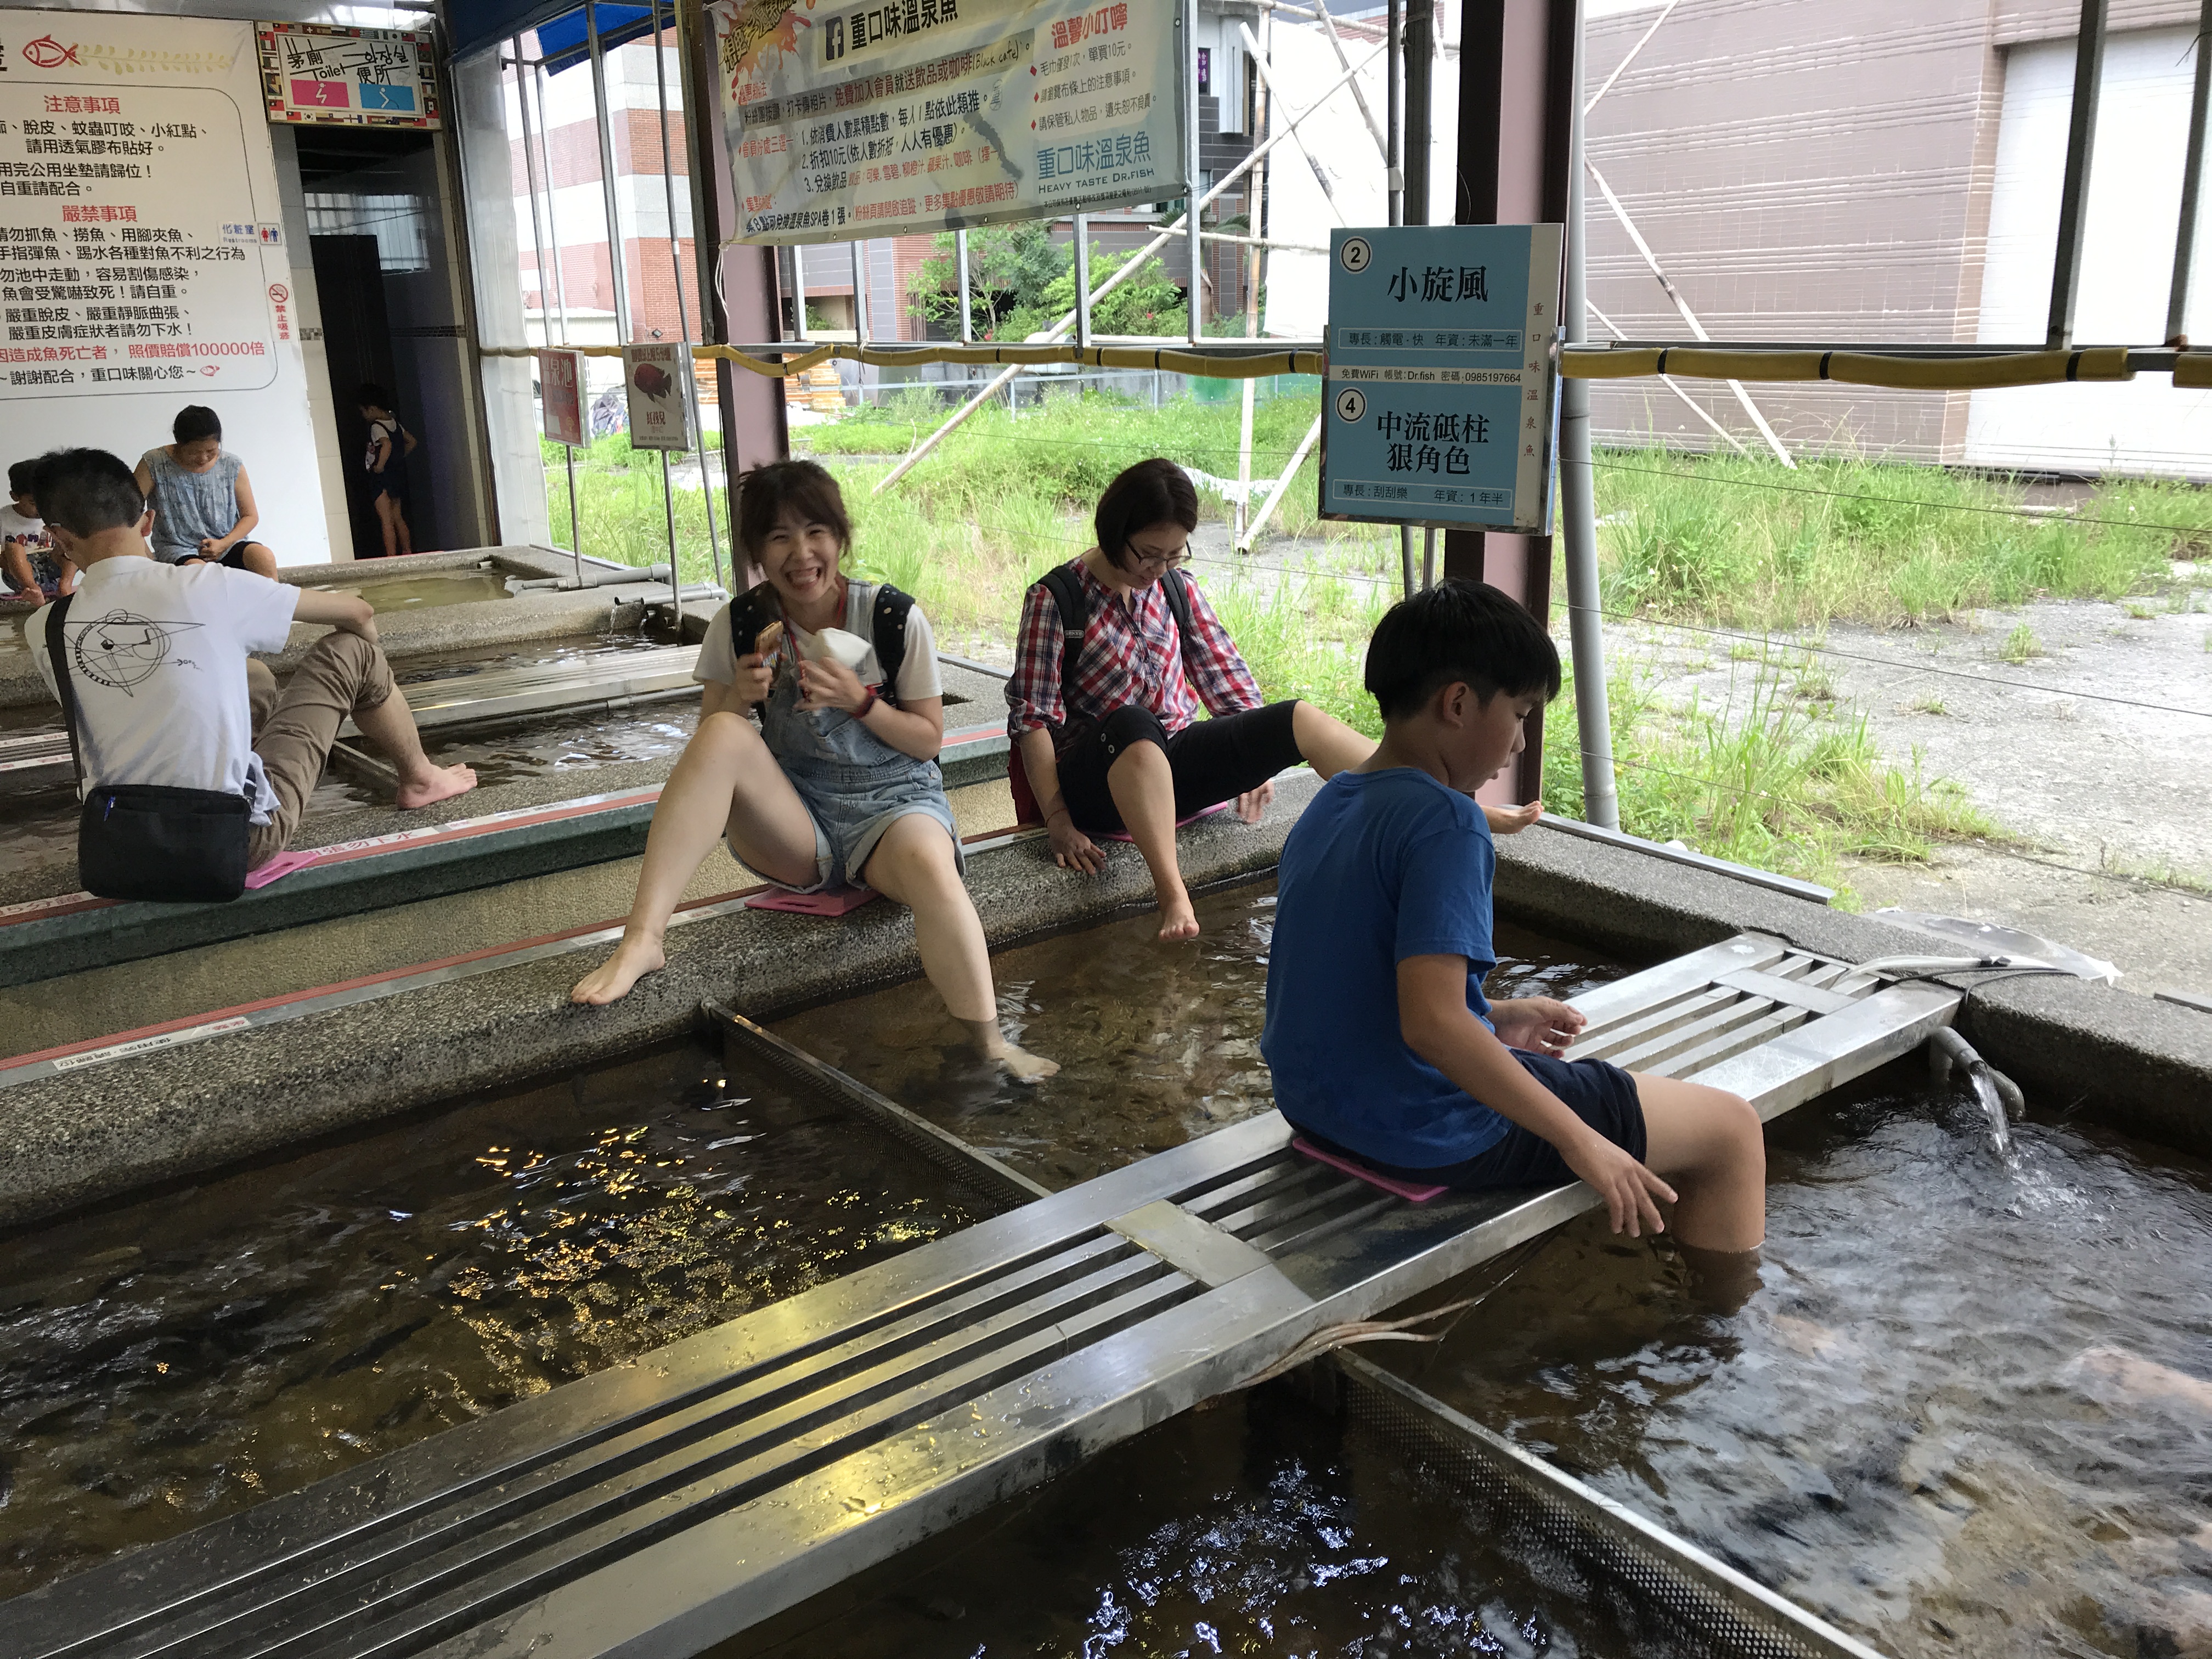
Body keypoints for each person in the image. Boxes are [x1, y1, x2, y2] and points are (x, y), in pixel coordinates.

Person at [1262, 578, 1766, 1270]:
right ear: (1460, 703)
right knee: (1731, 1130)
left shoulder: (1332, 802)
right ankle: (1725, 1326)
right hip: (1424, 1132)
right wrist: (1581, 1142)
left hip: (1319, 1111)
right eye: (1522, 712)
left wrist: (1490, 1014)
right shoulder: (1449, 822)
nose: (1521, 740)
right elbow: (1433, 1026)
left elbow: (1343, 981)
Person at [571, 459, 1057, 1081]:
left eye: (815, 532)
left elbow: (929, 740)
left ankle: (991, 1044)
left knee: (934, 869)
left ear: (840, 537)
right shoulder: (742, 625)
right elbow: (708, 753)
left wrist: (860, 702)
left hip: (893, 806)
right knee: (722, 731)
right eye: (778, 537)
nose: (800, 554)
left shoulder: (890, 618)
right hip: (798, 821)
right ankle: (643, 938)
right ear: (757, 553)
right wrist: (738, 696)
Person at [1006, 456, 1537, 945]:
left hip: (1169, 761)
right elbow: (1032, 720)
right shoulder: (1057, 599)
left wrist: (1253, 759)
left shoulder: (1175, 589)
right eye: (1148, 553)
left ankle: (1444, 800)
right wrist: (1057, 819)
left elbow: (1225, 678)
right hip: (1097, 776)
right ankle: (1174, 895)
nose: (1159, 568)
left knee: (1294, 718)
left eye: (1174, 554)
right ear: (1113, 532)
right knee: (1132, 723)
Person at [23, 448, 476, 871]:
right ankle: (421, 779)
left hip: (125, 843)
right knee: (352, 651)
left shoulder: (45, 625)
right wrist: (371, 657)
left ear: (58, 537)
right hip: (230, 839)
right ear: (148, 522)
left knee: (254, 677)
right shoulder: (205, 586)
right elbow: (358, 613)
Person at [134, 407, 280, 577]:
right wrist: (146, 556)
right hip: (178, 548)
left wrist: (224, 543)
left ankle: (272, 604)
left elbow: (250, 516)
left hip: (227, 543)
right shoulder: (154, 463)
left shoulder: (232, 465)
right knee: (201, 573)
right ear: (178, 443)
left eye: (211, 451)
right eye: (194, 452)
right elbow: (129, 514)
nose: (203, 458)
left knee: (264, 557)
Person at [357, 382, 417, 558]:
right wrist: (398, 458)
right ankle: (407, 551)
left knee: (386, 520)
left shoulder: (377, 426)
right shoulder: (394, 423)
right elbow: (412, 441)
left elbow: (387, 444)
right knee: (398, 517)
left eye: (364, 412)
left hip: (382, 478)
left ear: (372, 409)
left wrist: (380, 466)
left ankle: (391, 557)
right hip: (397, 476)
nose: (364, 416)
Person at [1, 460, 75, 599]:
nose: (41, 508)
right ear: (15, 497)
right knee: (13, 548)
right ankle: (33, 590)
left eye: (46, 501)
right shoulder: (4, 518)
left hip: (54, 569)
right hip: (23, 573)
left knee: (71, 540)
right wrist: (6, 561)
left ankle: (65, 586)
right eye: (34, 503)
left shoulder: (55, 513)